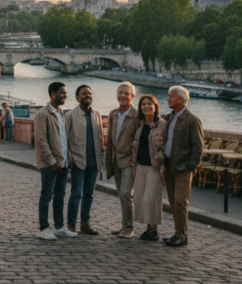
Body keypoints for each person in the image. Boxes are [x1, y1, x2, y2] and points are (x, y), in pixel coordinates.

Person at [157, 85, 204, 248]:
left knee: (180, 202)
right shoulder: (169, 118)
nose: (168, 99)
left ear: (181, 100)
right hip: (169, 166)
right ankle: (178, 233)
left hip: (183, 168)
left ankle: (181, 236)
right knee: (172, 202)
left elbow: (198, 146)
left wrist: (191, 166)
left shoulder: (192, 120)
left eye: (171, 97)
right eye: (168, 96)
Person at [33, 82, 76, 240]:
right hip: (50, 164)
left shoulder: (61, 113)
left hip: (63, 162)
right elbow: (41, 141)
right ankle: (44, 228)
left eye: (65, 93)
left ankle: (59, 227)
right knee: (46, 195)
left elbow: (64, 139)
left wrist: (68, 158)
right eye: (62, 93)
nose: (65, 95)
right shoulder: (43, 114)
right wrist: (52, 162)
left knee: (60, 196)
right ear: (53, 94)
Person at [63, 85, 104, 235]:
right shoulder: (70, 115)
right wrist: (68, 158)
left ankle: (85, 223)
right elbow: (64, 139)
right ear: (77, 97)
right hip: (77, 160)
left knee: (89, 193)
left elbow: (100, 136)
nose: (88, 96)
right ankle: (71, 224)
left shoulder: (97, 114)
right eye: (84, 94)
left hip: (93, 161)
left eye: (90, 93)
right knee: (76, 193)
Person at [105, 81, 139, 238]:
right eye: (120, 92)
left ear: (132, 96)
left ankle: (129, 228)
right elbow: (111, 140)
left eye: (126, 93)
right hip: (115, 160)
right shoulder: (113, 114)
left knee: (126, 193)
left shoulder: (137, 115)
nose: (123, 96)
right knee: (121, 193)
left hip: (129, 161)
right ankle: (125, 226)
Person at [132, 95, 167, 241]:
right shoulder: (140, 124)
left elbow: (166, 146)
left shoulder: (162, 124)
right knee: (140, 197)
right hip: (140, 165)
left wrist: (161, 161)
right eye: (143, 104)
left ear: (155, 106)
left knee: (151, 198)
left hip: (154, 166)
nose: (146, 107)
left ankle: (154, 230)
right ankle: (148, 228)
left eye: (149, 104)